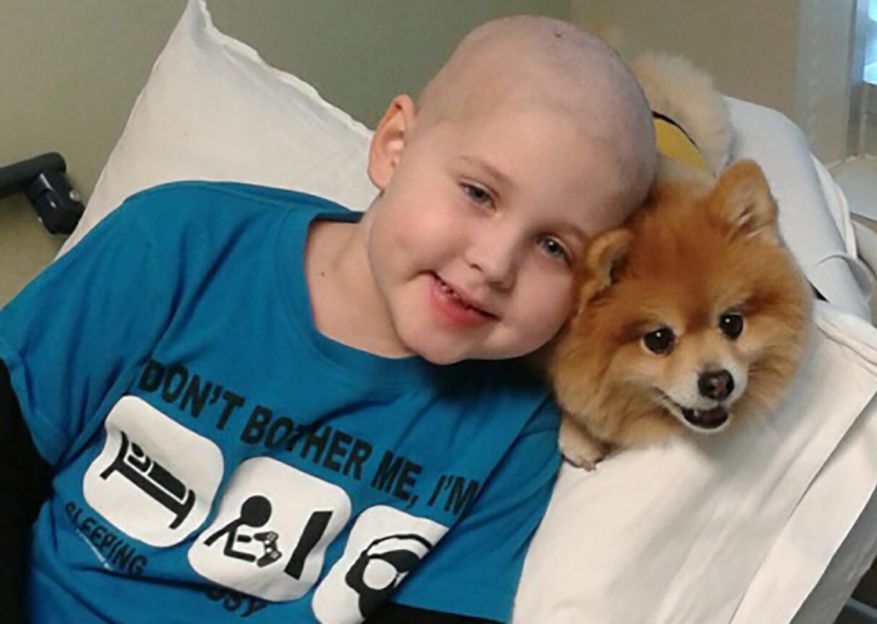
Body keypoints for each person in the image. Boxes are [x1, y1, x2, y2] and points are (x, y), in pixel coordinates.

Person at [0, 15, 655, 624]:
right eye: (479, 194)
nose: (493, 263)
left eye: (553, 248)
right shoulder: (172, 248)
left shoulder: (517, 426)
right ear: (395, 147)